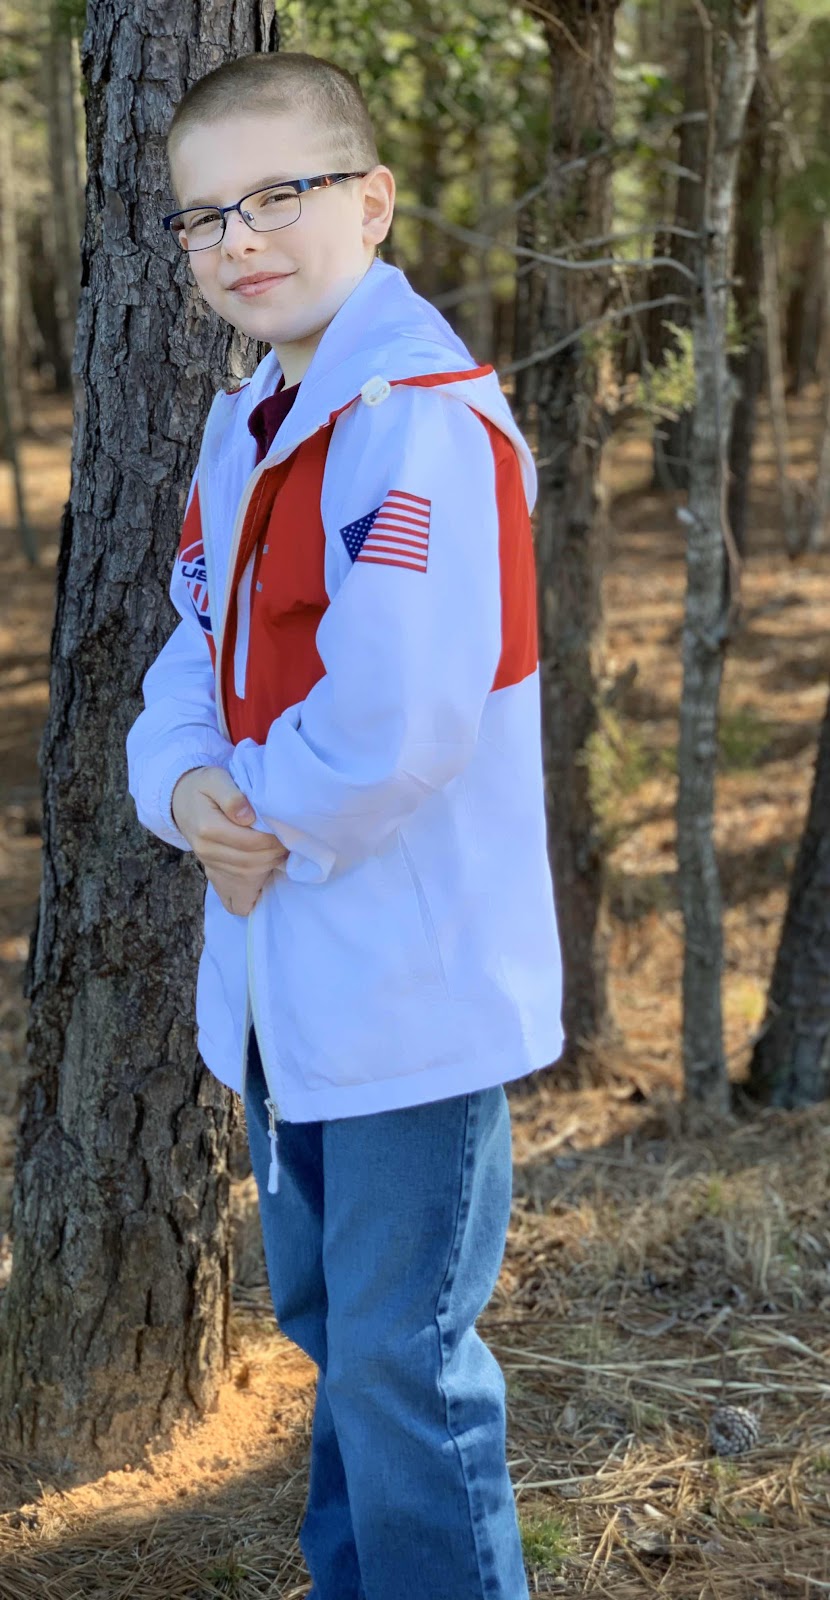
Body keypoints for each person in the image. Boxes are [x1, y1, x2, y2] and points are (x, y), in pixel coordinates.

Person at [126, 49, 564, 1600]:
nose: (239, 239)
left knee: (401, 1357)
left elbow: (402, 716)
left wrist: (257, 816)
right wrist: (185, 790)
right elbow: (190, 650)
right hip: (283, 980)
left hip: (403, 988)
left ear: (371, 203)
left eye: (278, 196)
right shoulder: (253, 417)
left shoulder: (418, 423)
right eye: (204, 216)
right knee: (335, 1329)